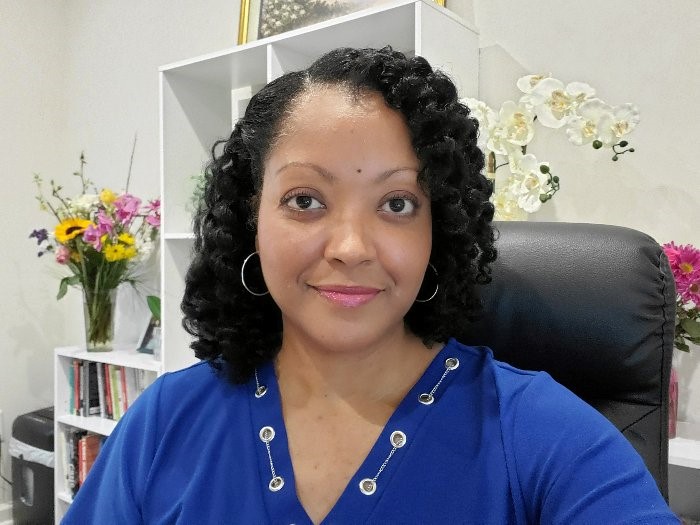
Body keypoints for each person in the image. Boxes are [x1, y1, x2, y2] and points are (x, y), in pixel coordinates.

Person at [63, 47, 678, 524]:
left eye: (397, 203)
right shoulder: (163, 423)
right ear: (251, 218)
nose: (351, 247)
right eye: (305, 200)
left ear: (439, 229)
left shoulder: (541, 434)